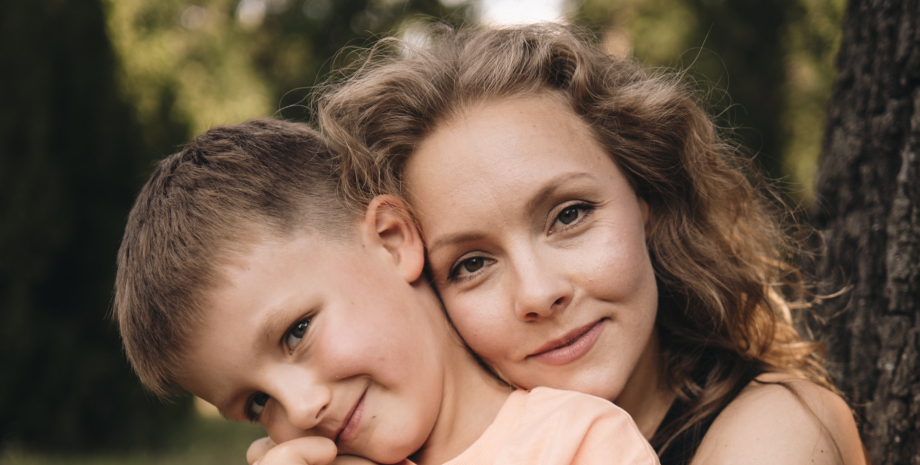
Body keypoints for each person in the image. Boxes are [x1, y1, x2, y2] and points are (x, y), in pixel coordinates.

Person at [279, 23, 864, 465]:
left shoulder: (775, 429)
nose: (539, 292)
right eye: (472, 264)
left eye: (569, 215)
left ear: (646, 197)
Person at [113, 119, 660, 465]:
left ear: (392, 240)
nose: (302, 410)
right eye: (258, 403)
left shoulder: (578, 442)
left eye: (296, 332)